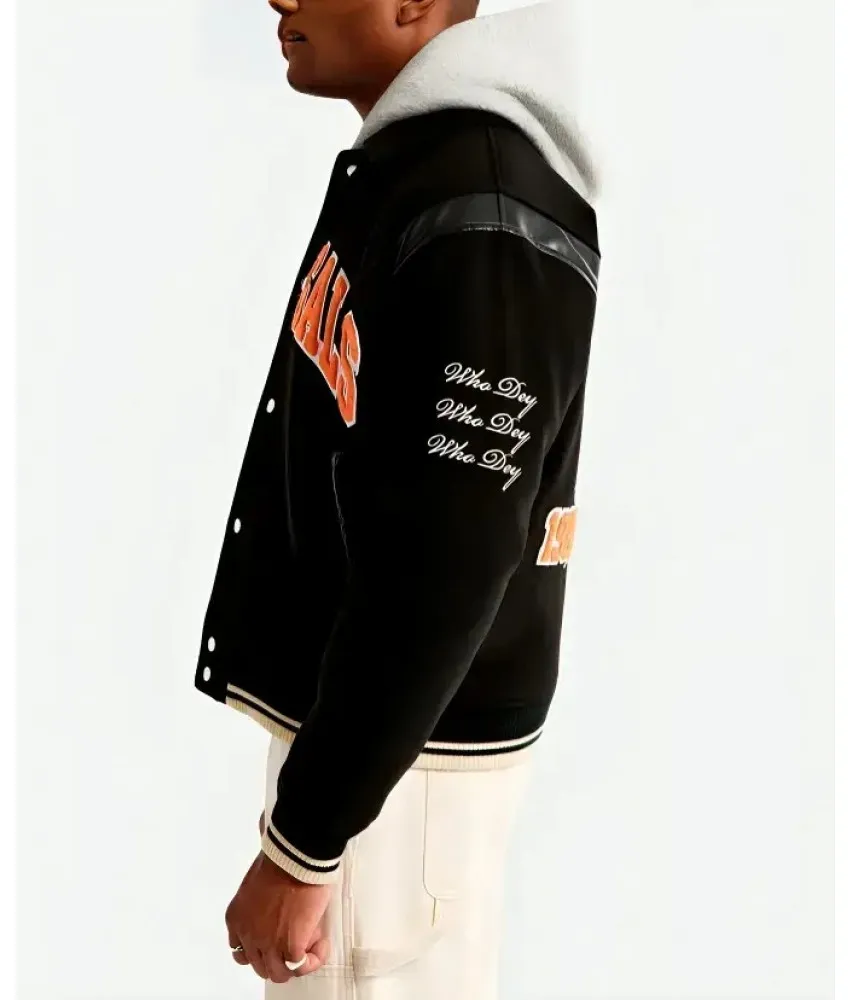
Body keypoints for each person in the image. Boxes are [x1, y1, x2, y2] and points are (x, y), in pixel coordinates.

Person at [194, 0, 601, 996]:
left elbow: (447, 564)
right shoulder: (419, 170)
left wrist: (305, 842)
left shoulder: (483, 203)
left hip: (404, 779)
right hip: (376, 754)